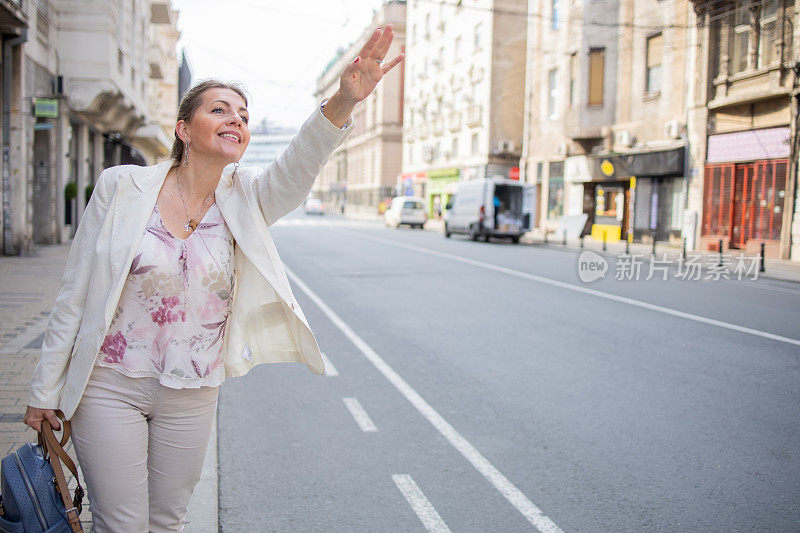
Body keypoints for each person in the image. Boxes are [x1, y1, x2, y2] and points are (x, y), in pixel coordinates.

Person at [23, 25, 403, 532]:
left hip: (194, 389)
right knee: (120, 524)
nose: (236, 120)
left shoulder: (247, 198)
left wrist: (343, 102)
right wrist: (44, 391)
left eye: (244, 116)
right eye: (220, 109)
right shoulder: (122, 187)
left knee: (168, 521)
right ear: (184, 129)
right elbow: (75, 292)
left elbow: (298, 166)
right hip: (111, 384)